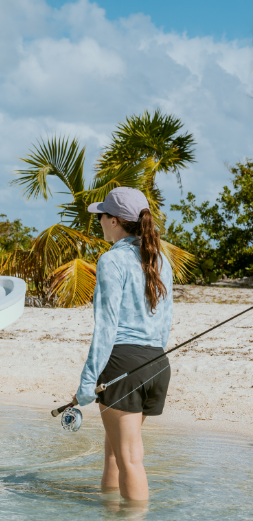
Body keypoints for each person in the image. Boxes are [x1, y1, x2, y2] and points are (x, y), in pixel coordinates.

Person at [74, 187, 173, 501]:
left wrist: (88, 382)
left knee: (129, 459)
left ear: (114, 220)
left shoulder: (111, 260)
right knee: (115, 453)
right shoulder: (160, 260)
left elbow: (106, 327)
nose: (99, 221)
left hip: (123, 364)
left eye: (101, 216)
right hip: (156, 363)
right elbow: (164, 321)